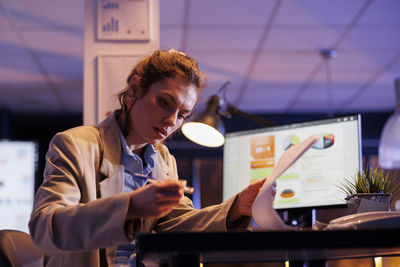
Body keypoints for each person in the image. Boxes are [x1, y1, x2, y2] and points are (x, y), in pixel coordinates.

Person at [29, 49, 268, 267]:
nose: (172, 121)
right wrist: (130, 207)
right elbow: (44, 228)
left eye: (182, 115)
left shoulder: (163, 159)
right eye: (165, 103)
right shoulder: (76, 145)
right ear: (135, 88)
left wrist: (236, 208)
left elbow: (179, 224)